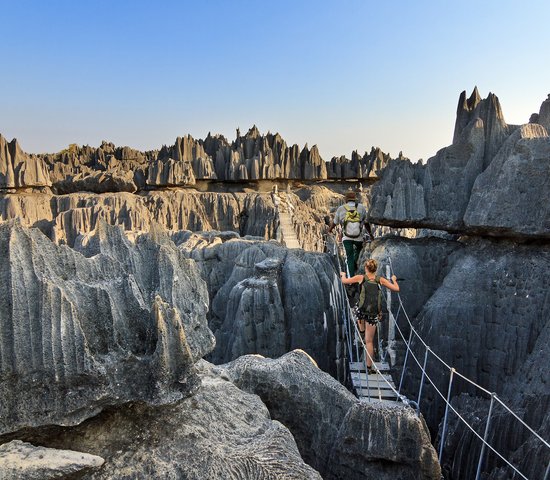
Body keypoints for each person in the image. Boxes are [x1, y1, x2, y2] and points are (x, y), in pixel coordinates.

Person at [340, 258, 399, 372]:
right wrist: (394, 279)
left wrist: (343, 274)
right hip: (373, 313)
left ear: (366, 268)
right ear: (375, 269)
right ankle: (369, 367)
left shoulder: (361, 278)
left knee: (356, 310)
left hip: (362, 311)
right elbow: (396, 289)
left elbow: (344, 281)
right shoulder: (380, 280)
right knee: (369, 342)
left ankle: (361, 331)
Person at [328, 191, 373, 276]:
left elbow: (335, 222)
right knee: (358, 251)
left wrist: (329, 230)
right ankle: (356, 263)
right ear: (355, 200)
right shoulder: (361, 208)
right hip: (358, 237)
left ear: (346, 200)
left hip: (346, 238)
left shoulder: (341, 208)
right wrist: (370, 234)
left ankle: (351, 278)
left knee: (349, 257)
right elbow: (366, 222)